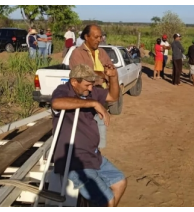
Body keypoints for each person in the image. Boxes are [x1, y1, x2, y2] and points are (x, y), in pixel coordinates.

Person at [51, 63, 127, 207]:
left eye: (92, 84)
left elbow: (113, 96)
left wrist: (113, 77)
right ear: (74, 82)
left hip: (93, 155)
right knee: (106, 199)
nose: (91, 88)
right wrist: (94, 104)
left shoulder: (90, 92)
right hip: (74, 160)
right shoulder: (63, 90)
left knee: (120, 181)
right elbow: (56, 103)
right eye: (87, 85)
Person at [69, 24, 114, 149]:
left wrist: (106, 73)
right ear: (86, 37)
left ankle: (97, 154)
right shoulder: (77, 53)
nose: (99, 40)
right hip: (85, 97)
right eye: (96, 37)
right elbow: (83, 75)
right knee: (85, 130)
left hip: (101, 95)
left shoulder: (102, 52)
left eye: (100, 37)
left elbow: (111, 69)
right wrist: (102, 74)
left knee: (100, 128)